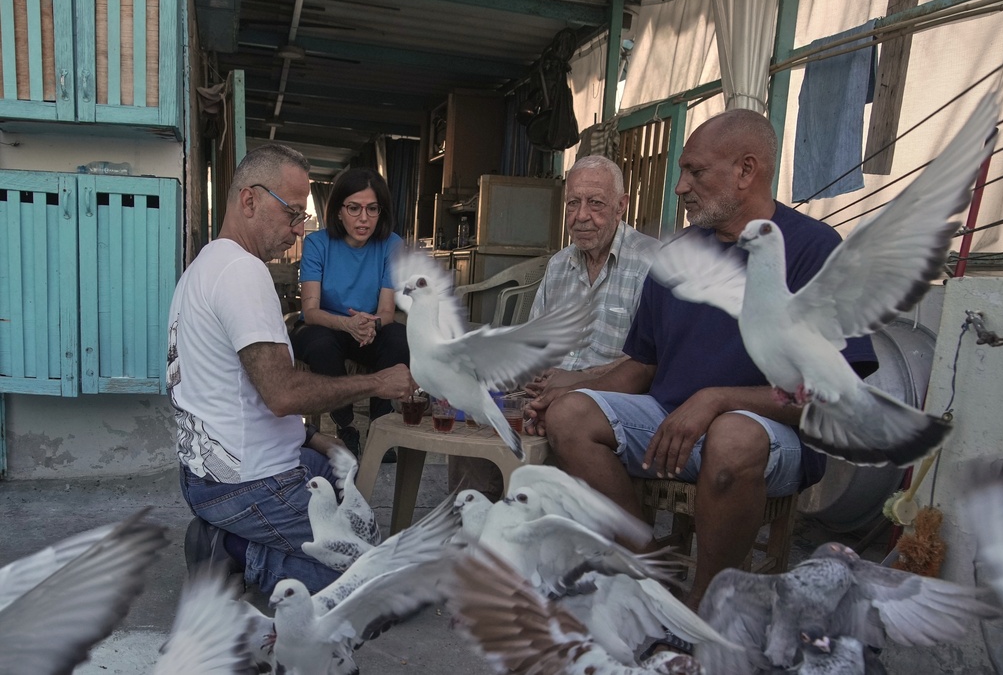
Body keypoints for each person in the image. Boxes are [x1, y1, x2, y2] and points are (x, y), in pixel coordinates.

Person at [526, 109, 878, 609]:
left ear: (746, 170)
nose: (680, 187)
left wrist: (716, 400)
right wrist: (572, 390)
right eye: (682, 173)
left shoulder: (816, 250)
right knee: (570, 416)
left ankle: (707, 605)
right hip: (672, 423)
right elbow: (640, 367)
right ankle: (654, 571)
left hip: (772, 438)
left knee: (733, 435)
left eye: (695, 172)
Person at [167, 144, 416, 595]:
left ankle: (241, 534)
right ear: (249, 200)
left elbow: (231, 396)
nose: (298, 229)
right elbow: (281, 393)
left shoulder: (203, 268)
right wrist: (379, 381)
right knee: (372, 582)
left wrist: (312, 436)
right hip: (243, 483)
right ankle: (230, 548)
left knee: (338, 473)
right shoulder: (242, 273)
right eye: (292, 214)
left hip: (209, 473)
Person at [447, 155, 661, 501]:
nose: (580, 217)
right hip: (548, 394)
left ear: (622, 205)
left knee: (562, 421)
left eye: (595, 204)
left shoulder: (652, 263)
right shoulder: (560, 264)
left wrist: (576, 383)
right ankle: (475, 535)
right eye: (573, 203)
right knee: (477, 412)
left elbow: (652, 363)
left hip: (609, 402)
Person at [290, 168, 409, 458]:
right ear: (339, 211)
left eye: (372, 209)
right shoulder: (318, 243)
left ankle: (382, 426)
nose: (364, 218)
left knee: (398, 337)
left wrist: (369, 324)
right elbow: (311, 310)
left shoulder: (391, 245)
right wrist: (348, 324)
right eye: (354, 208)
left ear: (381, 212)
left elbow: (387, 312)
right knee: (320, 344)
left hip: (368, 328)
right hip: (325, 326)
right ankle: (346, 427)